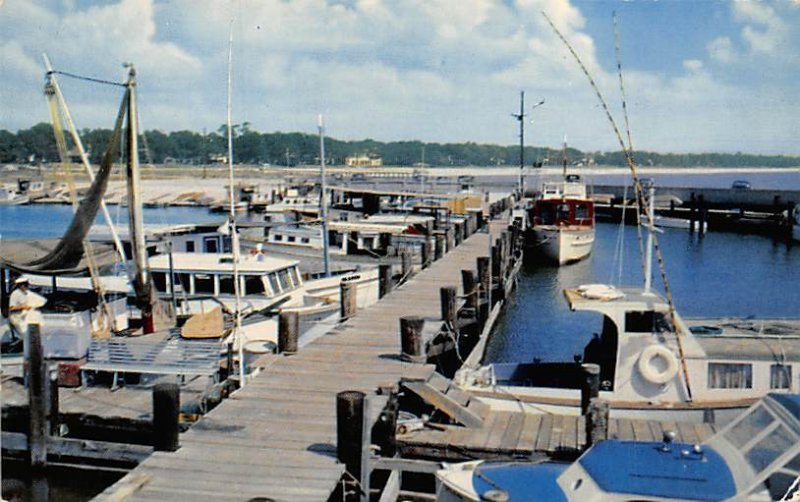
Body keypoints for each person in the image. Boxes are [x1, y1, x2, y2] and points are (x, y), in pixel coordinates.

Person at [8, 277, 46, 341]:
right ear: (21, 285)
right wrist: (24, 307)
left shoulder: (25, 293)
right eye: (26, 285)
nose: (27, 287)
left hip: (24, 316)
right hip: (17, 318)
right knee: (26, 334)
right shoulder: (15, 294)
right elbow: (11, 308)